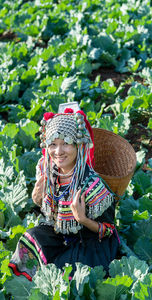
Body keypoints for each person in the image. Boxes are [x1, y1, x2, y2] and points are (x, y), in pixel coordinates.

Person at [8, 108, 119, 281]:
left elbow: (109, 231)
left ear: (78, 145)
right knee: (30, 237)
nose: (58, 151)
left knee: (75, 271)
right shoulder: (50, 174)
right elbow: (50, 216)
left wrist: (83, 219)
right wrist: (38, 198)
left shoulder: (92, 185)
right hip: (60, 234)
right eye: (52, 144)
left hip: (90, 242)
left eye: (66, 143)